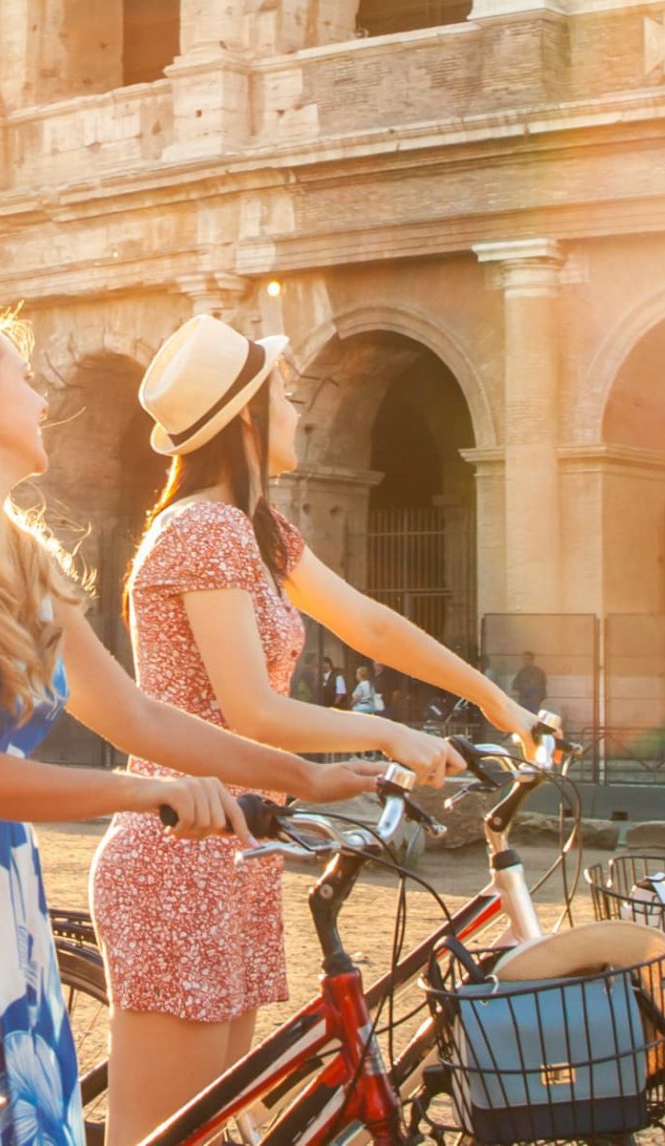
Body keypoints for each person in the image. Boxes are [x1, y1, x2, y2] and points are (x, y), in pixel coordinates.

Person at [0, 303, 384, 1146]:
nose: (43, 402)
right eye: (22, 380)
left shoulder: (21, 560)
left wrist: (304, 775)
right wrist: (149, 797)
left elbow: (137, 714)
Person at [89, 314, 549, 1141]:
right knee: (161, 1136)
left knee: (213, 1125)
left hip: (234, 845)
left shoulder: (258, 532)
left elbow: (370, 624)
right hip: (178, 853)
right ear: (246, 421)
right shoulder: (203, 530)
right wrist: (385, 735)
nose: (299, 411)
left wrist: (495, 701)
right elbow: (252, 712)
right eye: (283, 398)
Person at [510, 650, 548, 716]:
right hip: (523, 701)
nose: (525, 661)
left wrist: (538, 697)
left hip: (534, 702)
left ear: (532, 660)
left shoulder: (538, 672)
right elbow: (514, 685)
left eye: (527, 659)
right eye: (524, 659)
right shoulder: (521, 672)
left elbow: (542, 686)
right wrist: (523, 686)